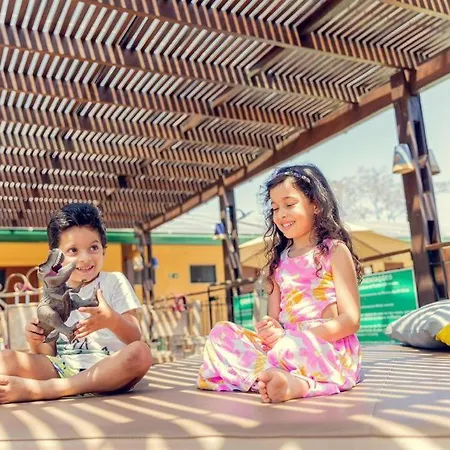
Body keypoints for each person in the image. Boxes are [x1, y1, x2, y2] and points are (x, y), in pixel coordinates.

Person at [197, 164, 362, 403]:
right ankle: (280, 379)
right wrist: (270, 329)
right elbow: (275, 320)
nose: (281, 214)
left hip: (324, 349)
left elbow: (351, 320)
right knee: (221, 333)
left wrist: (296, 340)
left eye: (289, 204)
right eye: (275, 208)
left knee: (286, 350)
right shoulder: (277, 264)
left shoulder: (334, 251)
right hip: (283, 348)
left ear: (316, 204)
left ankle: (290, 383)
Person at [0, 203, 152, 404]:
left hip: (108, 370)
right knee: (5, 358)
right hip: (63, 368)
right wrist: (35, 341)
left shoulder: (114, 281)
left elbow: (134, 336)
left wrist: (111, 320)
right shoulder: (54, 291)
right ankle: (64, 386)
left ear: (103, 250)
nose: (85, 258)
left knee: (141, 352)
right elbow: (49, 353)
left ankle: (47, 390)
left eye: (93, 247)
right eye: (73, 250)